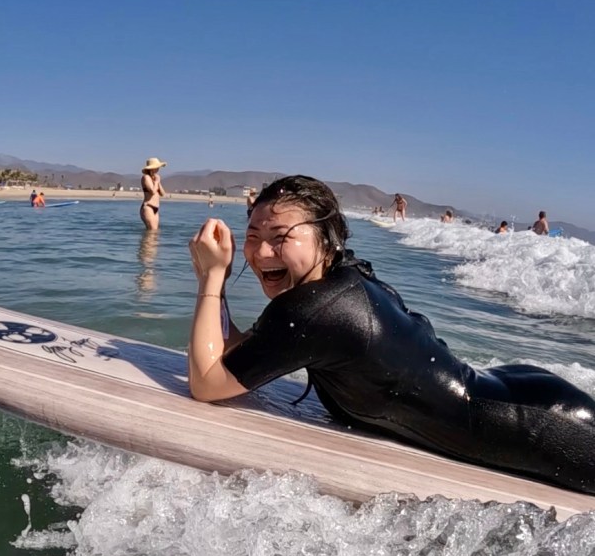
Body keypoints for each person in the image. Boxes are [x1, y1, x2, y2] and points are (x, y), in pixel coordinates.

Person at [187, 175, 595, 495]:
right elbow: (233, 358)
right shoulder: (339, 286)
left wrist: (212, 276)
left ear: (325, 236)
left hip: (538, 423)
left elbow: (207, 383)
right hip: (512, 394)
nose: (261, 253)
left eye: (280, 237)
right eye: (254, 237)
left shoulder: (317, 308)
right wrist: (215, 284)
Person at [140, 157, 167, 231]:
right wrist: (157, 181)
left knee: (155, 231)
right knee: (152, 231)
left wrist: (158, 182)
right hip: (148, 207)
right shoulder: (146, 177)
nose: (158, 169)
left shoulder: (155, 178)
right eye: (157, 167)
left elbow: (162, 193)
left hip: (156, 209)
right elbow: (152, 191)